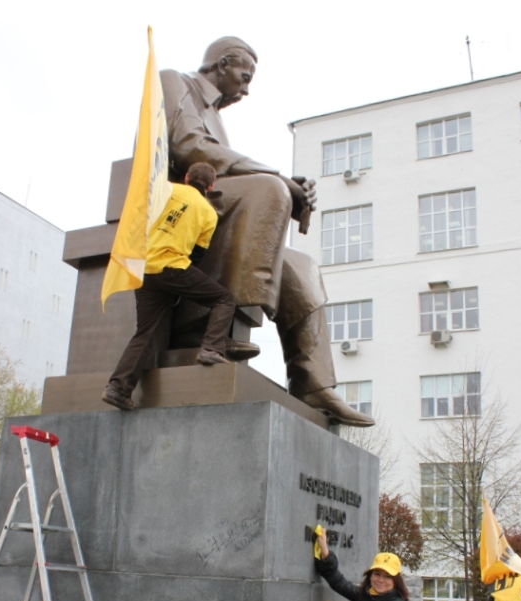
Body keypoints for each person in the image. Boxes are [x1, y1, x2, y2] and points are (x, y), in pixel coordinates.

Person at [159, 38, 374, 428]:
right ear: (222, 63)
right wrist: (279, 181)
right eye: (244, 76)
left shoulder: (218, 117)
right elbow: (189, 147)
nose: (246, 87)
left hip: (212, 213)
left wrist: (287, 188)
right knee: (268, 189)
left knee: (301, 265)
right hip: (175, 210)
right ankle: (219, 329)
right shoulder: (175, 80)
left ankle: (312, 382)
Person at [102, 162, 235, 410]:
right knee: (224, 300)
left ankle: (117, 389)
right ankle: (210, 348)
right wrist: (180, 285)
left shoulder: (165, 190)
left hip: (144, 272)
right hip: (173, 269)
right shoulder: (207, 213)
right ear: (210, 186)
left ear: (187, 177)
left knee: (145, 333)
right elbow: (197, 256)